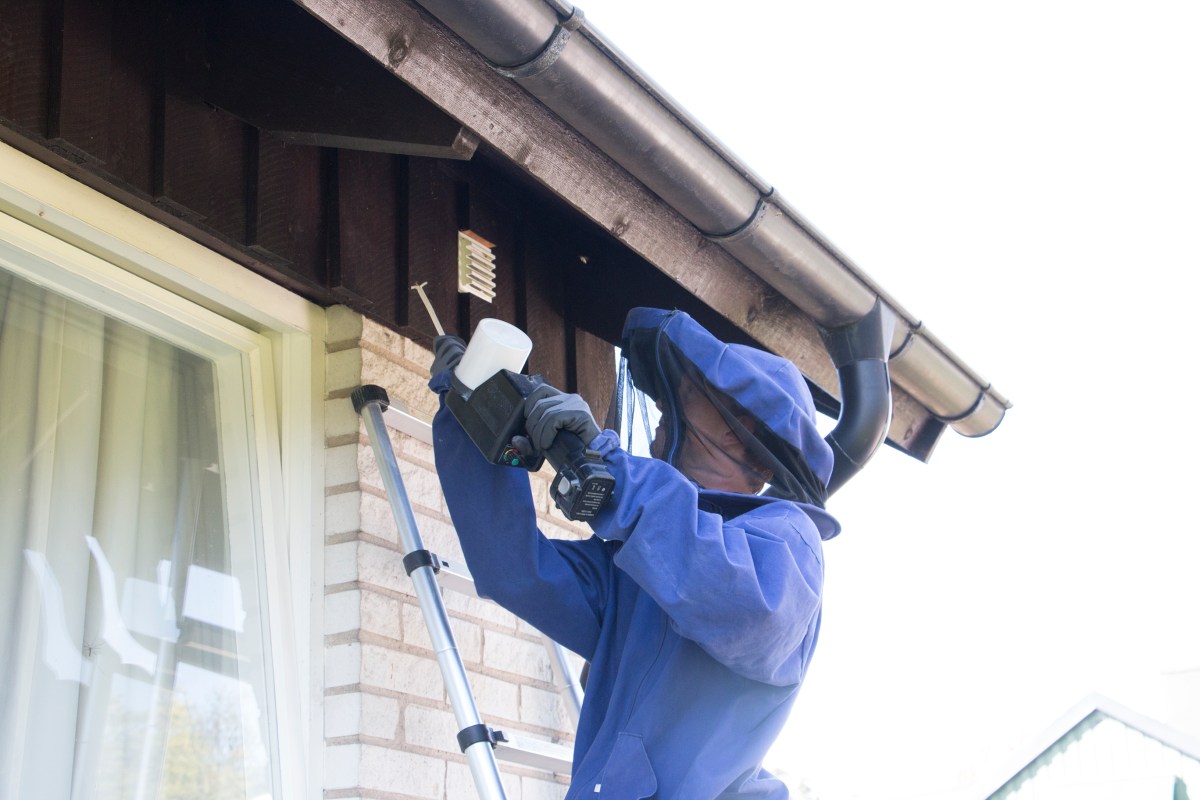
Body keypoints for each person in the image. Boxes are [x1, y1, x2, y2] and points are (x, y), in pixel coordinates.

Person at [428, 307, 839, 800]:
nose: (657, 426)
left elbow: (748, 607)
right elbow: (514, 570)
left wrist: (615, 474)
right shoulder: (635, 565)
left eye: (671, 410)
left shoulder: (788, 540)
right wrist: (474, 420)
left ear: (737, 428)